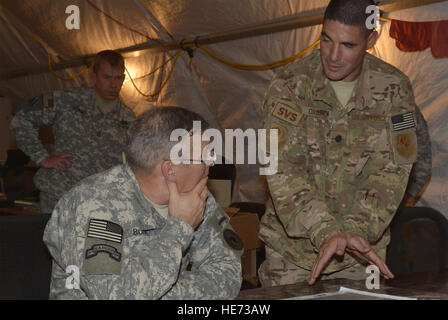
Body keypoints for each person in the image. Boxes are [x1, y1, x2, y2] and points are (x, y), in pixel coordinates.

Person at [258, 0, 430, 287]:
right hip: (293, 257)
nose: (333, 55)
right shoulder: (289, 85)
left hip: (361, 255)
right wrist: (326, 231)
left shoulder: (393, 88)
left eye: (348, 45)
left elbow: (393, 170)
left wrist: (352, 231)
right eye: (327, 39)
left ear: (371, 40)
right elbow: (283, 170)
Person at [43, 106, 243, 299]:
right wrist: (179, 227)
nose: (212, 163)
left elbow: (228, 273)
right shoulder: (92, 204)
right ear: (170, 170)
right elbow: (118, 296)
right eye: (205, 157)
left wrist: (155, 293)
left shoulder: (197, 196)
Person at [9, 50, 136, 213]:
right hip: (60, 196)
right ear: (93, 77)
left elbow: (133, 162)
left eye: (118, 78)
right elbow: (21, 119)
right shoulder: (65, 100)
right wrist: (42, 157)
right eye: (107, 77)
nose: (113, 84)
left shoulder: (128, 118)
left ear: (124, 79)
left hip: (99, 203)